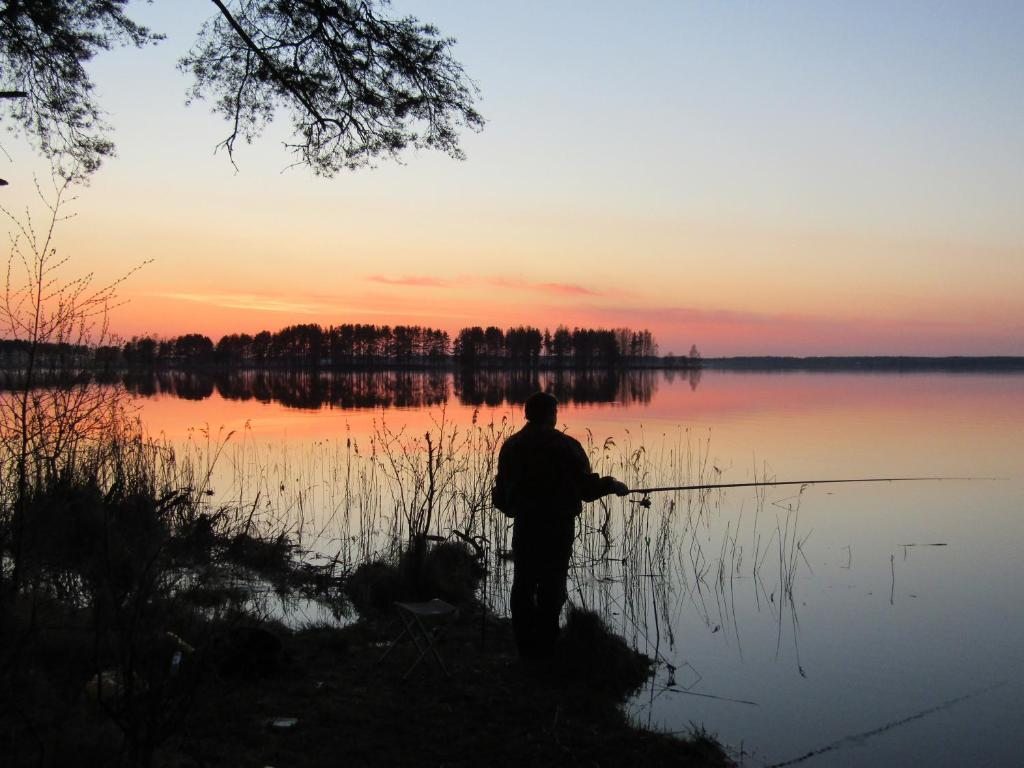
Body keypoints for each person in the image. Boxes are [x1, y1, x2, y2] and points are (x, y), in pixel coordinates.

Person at [492, 392, 629, 659]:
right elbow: (587, 489)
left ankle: (525, 650)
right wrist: (612, 485)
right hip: (557, 528)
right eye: (555, 412)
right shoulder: (566, 446)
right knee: (551, 588)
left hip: (525, 526)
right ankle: (547, 649)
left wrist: (513, 508)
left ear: (528, 414)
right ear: (551, 415)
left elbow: (502, 491)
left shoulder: (511, 446)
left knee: (523, 584)